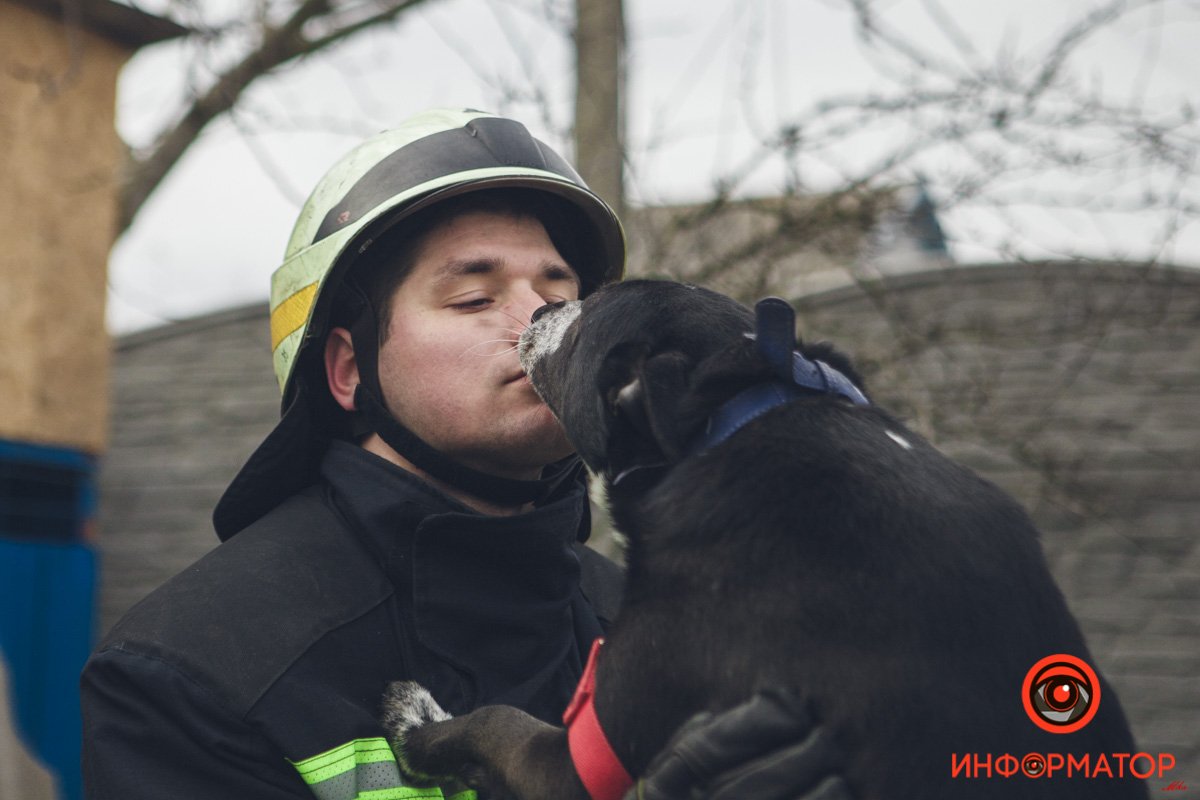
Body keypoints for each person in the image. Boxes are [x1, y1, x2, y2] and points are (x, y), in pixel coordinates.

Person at [81, 108, 849, 800]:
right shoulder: (193, 672)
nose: (543, 324)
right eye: (475, 298)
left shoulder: (659, 622)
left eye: (561, 295)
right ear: (349, 369)